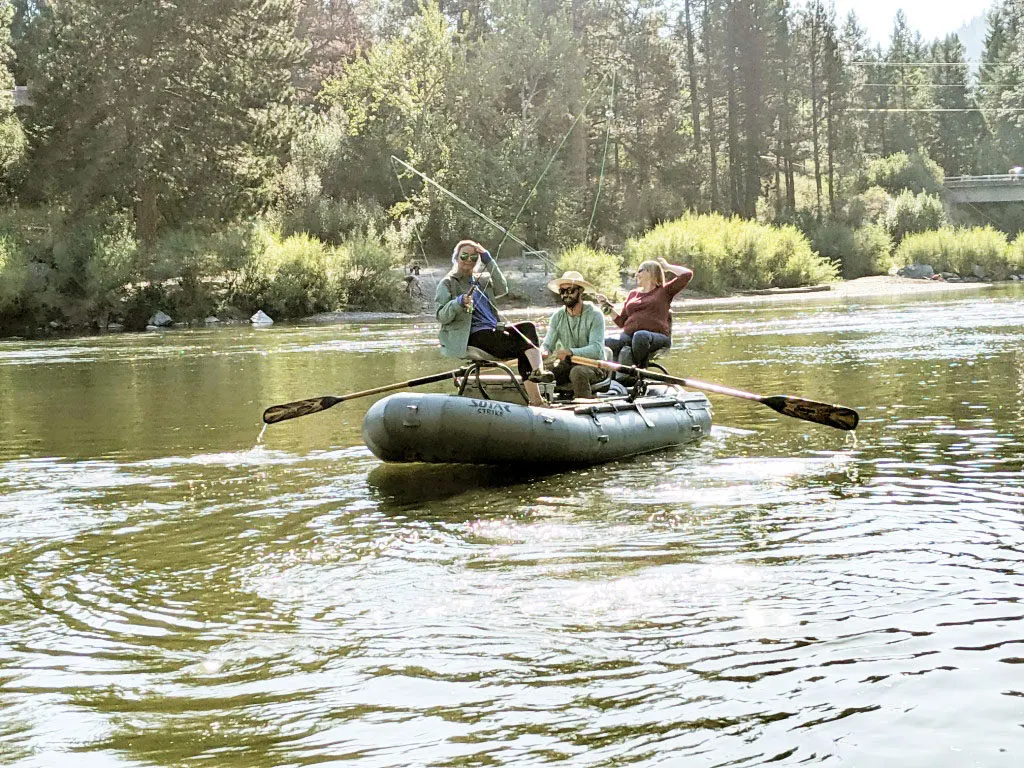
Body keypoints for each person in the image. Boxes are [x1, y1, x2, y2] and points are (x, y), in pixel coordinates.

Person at [436, 239, 545, 406]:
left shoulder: (483, 281)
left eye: (473, 257)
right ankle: (535, 395)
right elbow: (441, 316)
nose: (468, 260)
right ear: (456, 257)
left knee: (528, 329)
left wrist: (487, 257)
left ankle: (538, 379)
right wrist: (457, 303)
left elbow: (503, 287)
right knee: (521, 346)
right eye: (464, 255)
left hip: (493, 331)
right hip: (472, 336)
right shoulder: (447, 283)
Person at [596, 257, 693, 376]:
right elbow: (622, 322)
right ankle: (615, 375)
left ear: (650, 272)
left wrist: (668, 267)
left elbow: (687, 274)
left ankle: (639, 372)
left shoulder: (664, 291)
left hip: (657, 338)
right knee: (607, 340)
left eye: (640, 271)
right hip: (629, 336)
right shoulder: (633, 294)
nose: (636, 275)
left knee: (640, 336)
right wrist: (607, 308)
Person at [539, 271, 607, 399]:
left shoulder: (595, 315)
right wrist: (543, 352)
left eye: (569, 290)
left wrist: (570, 351)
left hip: (594, 366)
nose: (565, 295)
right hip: (568, 365)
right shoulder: (557, 316)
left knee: (577, 372)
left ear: (580, 291)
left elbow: (597, 350)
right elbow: (547, 345)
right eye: (562, 291)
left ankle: (585, 407)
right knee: (543, 374)